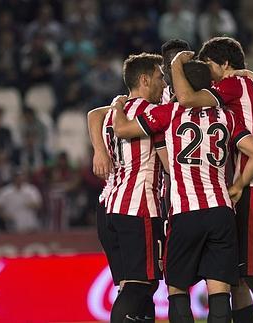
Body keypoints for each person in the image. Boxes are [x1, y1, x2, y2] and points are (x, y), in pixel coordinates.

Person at [112, 60, 253, 323]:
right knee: (219, 294)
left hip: (185, 213)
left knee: (178, 292)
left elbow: (122, 129)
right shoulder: (226, 116)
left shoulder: (171, 112)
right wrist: (238, 185)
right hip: (220, 210)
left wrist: (117, 106)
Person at [171, 37, 253, 323]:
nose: (206, 72)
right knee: (237, 275)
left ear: (225, 64)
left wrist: (176, 65)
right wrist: (250, 73)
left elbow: (187, 99)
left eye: (209, 65)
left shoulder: (232, 85)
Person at [87, 52, 168, 323]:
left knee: (131, 285)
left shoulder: (113, 113)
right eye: (160, 78)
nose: (164, 84)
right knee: (141, 285)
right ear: (144, 80)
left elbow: (92, 115)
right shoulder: (152, 113)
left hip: (109, 206)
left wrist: (99, 149)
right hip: (139, 206)